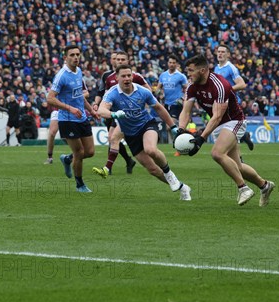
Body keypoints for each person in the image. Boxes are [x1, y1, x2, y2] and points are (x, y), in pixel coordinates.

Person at [177, 54, 275, 207]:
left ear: (202, 70)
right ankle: (265, 186)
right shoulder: (191, 86)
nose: (188, 74)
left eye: (191, 71)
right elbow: (186, 111)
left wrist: (201, 139)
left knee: (217, 153)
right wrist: (180, 129)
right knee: (238, 167)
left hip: (234, 121)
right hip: (219, 125)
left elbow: (216, 116)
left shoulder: (220, 85)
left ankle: (243, 188)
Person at [98, 64, 191, 200]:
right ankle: (183, 187)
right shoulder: (112, 93)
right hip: (130, 134)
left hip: (147, 125)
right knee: (153, 170)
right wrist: (114, 114)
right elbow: (101, 110)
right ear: (116, 77)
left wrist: (172, 127)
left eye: (129, 75)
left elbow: (159, 108)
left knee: (150, 149)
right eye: (123, 76)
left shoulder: (142, 91)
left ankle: (169, 173)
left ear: (132, 76)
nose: (127, 78)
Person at [47, 44, 100, 193]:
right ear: (65, 57)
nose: (76, 57)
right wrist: (69, 108)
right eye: (72, 55)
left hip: (82, 117)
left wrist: (91, 111)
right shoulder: (61, 76)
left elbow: (79, 97)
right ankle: (80, 184)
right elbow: (50, 98)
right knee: (79, 152)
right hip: (68, 119)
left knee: (89, 152)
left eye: (77, 54)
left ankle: (67, 159)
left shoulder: (78, 72)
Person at [91, 50, 138, 178]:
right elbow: (100, 92)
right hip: (109, 110)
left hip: (122, 111)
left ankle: (109, 167)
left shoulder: (131, 76)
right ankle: (128, 160)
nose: (118, 61)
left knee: (112, 137)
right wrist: (96, 104)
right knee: (113, 138)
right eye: (115, 59)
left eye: (121, 59)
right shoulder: (106, 76)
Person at [214, 44, 254, 150]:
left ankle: (238, 158)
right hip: (222, 103)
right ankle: (244, 137)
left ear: (228, 54)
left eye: (223, 52)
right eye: (219, 52)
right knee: (227, 132)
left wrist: (227, 90)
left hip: (231, 103)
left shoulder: (231, 67)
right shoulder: (216, 68)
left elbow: (242, 84)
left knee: (229, 132)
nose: (220, 54)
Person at [158, 55, 188, 148]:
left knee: (171, 125)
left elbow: (187, 88)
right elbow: (158, 88)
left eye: (173, 63)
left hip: (176, 103)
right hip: (167, 104)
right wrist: (159, 93)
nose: (171, 64)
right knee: (169, 128)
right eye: (170, 62)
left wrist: (184, 98)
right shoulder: (163, 75)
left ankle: (179, 144)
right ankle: (178, 142)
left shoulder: (181, 76)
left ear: (177, 64)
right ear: (168, 63)